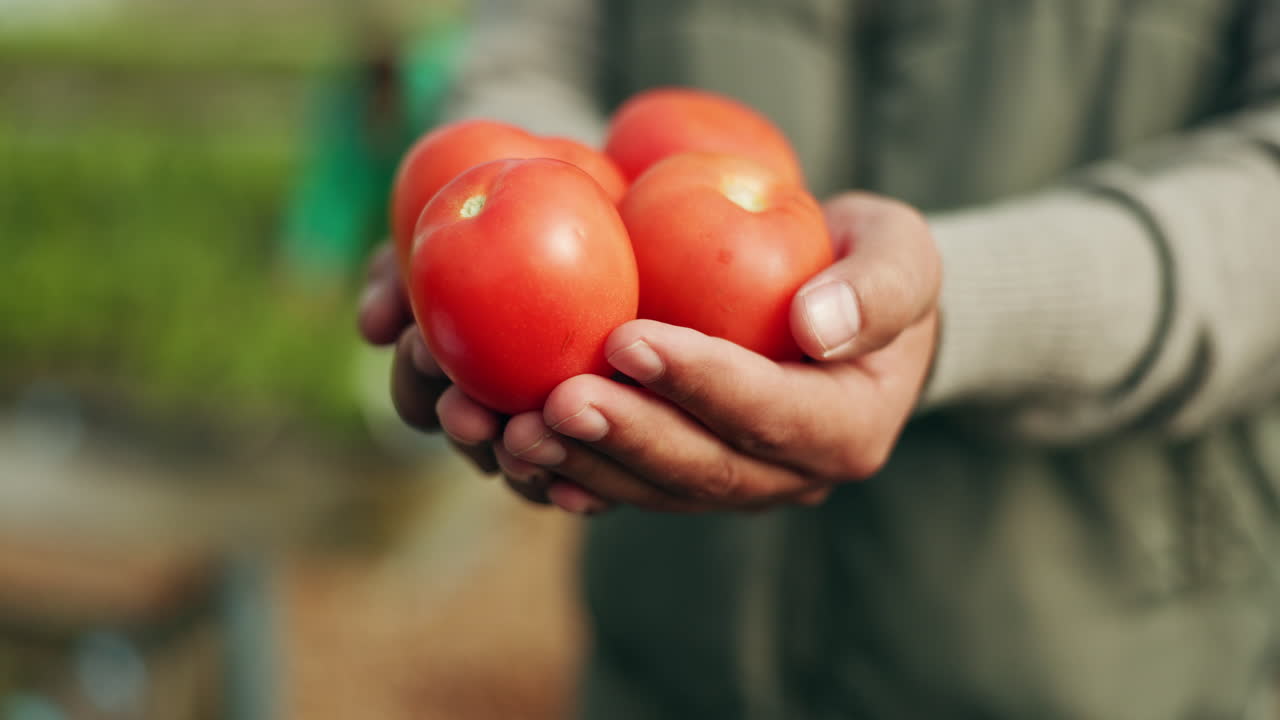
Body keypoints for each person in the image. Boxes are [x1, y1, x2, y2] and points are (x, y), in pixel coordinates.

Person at [359, 1, 1280, 717]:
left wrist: (958, 303)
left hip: (1101, 667)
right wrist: (508, 172)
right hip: (668, 665)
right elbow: (532, 46)